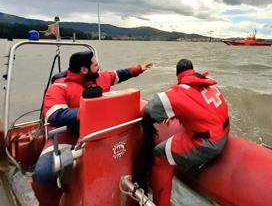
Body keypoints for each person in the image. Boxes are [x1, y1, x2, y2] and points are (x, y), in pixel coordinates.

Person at [31, 51, 152, 206]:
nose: (99, 67)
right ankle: (52, 201)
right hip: (69, 135)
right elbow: (54, 114)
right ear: (84, 70)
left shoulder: (101, 77)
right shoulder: (59, 87)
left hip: (103, 133)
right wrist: (90, 111)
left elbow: (119, 74)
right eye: (95, 65)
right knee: (43, 173)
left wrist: (139, 68)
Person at [144, 59, 230, 206]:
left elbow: (150, 109)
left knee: (159, 154)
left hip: (207, 142)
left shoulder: (180, 92)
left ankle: (161, 202)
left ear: (178, 75)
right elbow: (200, 108)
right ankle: (189, 168)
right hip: (224, 133)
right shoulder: (207, 83)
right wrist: (175, 113)